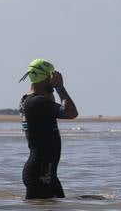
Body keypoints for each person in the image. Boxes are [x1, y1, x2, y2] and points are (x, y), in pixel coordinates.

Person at [18, 59, 78, 199]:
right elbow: (71, 113)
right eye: (51, 75)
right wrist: (59, 87)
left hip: (46, 172)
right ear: (43, 77)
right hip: (40, 173)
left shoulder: (28, 100)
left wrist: (48, 85)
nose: (54, 78)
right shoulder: (37, 103)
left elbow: (49, 98)